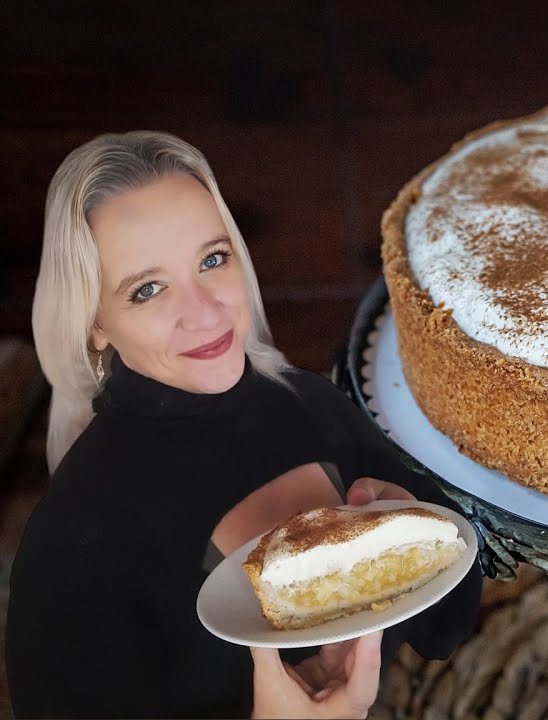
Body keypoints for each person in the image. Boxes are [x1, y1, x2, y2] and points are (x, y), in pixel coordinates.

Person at [6, 131, 482, 718]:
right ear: (93, 323)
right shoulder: (73, 540)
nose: (205, 312)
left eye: (212, 259)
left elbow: (449, 623)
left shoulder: (313, 404)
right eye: (147, 290)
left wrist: (415, 535)